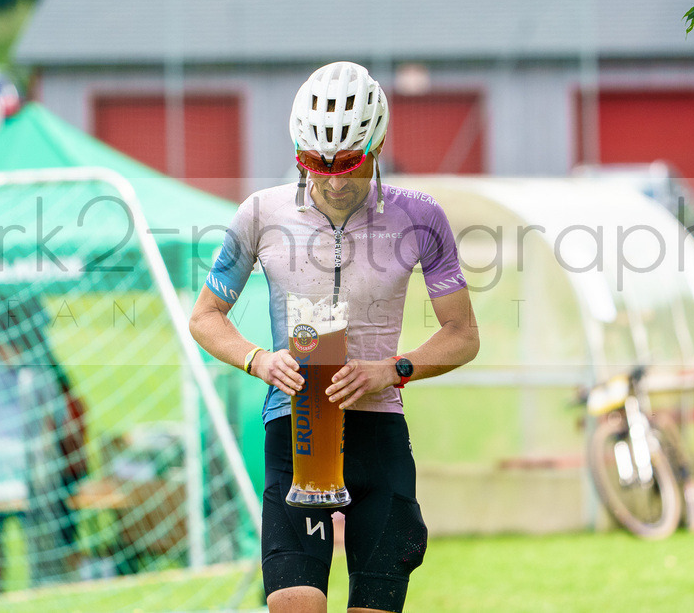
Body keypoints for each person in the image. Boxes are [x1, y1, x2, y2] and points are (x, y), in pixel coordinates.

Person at [189, 61, 479, 613]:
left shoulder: (420, 217)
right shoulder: (260, 213)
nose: (333, 179)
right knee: (295, 605)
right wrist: (256, 359)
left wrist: (393, 369)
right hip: (295, 432)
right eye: (314, 162)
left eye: (348, 162)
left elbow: (463, 335)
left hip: (379, 430)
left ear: (378, 145)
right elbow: (205, 315)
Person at [0, 291, 88, 590]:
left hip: (35, 471)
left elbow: (59, 421)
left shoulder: (41, 377)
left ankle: (46, 579)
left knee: (44, 518)